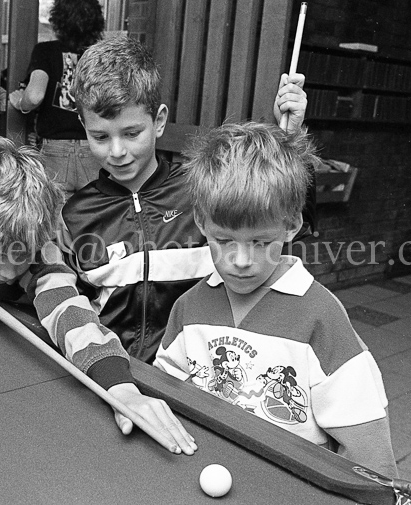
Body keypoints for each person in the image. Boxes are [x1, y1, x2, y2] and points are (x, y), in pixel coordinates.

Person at [0, 135, 197, 455]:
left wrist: (121, 388)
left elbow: (73, 318)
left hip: (49, 309)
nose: (10, 272)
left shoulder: (43, 262)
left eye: (20, 255)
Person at [153, 122, 397, 477]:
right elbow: (167, 396)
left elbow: (370, 451)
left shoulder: (321, 317)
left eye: (260, 242)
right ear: (201, 222)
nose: (240, 261)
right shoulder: (188, 308)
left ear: (292, 224)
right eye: (224, 240)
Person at [61, 36, 309, 364]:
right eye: (101, 137)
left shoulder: (201, 189)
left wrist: (290, 137)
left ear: (159, 120)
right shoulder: (75, 215)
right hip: (116, 380)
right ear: (83, 125)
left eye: (132, 133)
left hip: (198, 378)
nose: (117, 151)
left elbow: (284, 231)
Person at [7, 0, 105, 198]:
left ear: (58, 19)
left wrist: (20, 102)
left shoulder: (46, 51)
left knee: (56, 221)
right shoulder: (101, 54)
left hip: (55, 149)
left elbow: (34, 96)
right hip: (94, 146)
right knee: (95, 217)